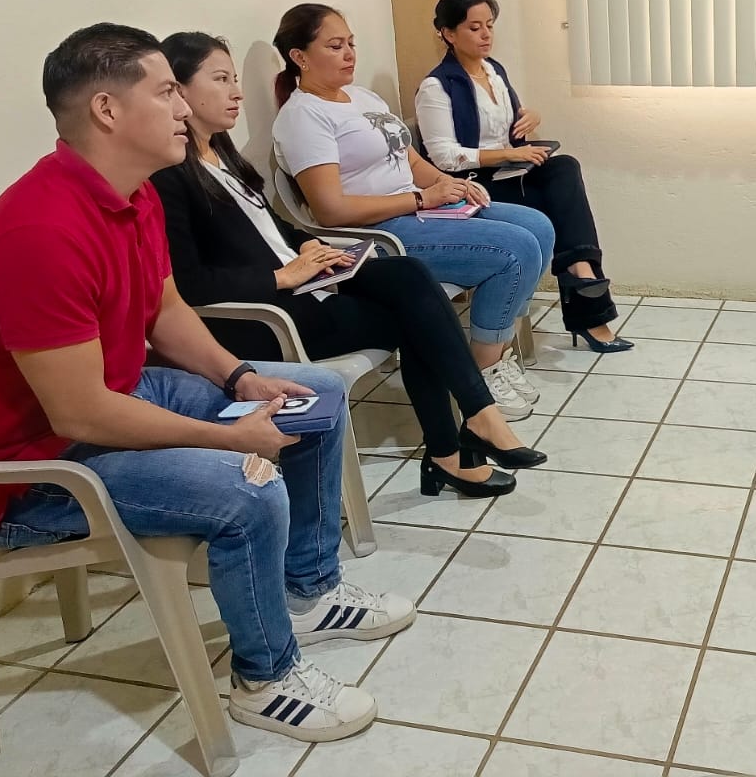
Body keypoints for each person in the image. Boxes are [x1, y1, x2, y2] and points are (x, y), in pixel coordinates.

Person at [0, 23, 411, 743]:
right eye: (166, 92)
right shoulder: (39, 231)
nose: (184, 109)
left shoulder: (135, 196)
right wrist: (227, 438)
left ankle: (310, 591)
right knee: (248, 485)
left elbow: (164, 314)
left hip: (117, 399)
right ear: (107, 110)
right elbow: (79, 414)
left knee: (312, 397)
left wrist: (241, 377)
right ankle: (265, 678)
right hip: (37, 471)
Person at [151, 31, 546, 497]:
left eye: (236, 79)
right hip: (269, 314)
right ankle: (460, 441)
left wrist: (311, 247)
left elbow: (275, 227)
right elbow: (189, 285)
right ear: (178, 90)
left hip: (303, 282)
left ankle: (471, 426)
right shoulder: (169, 175)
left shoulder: (221, 154)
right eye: (221, 80)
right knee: (417, 318)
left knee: (408, 274)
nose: (237, 92)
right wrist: (281, 276)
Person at [269, 4, 554, 417]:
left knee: (538, 227)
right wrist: (422, 199)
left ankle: (498, 347)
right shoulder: (303, 117)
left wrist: (445, 183)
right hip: (380, 231)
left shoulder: (361, 97)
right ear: (300, 57)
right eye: (335, 46)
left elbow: (407, 157)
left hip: (419, 210)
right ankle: (482, 373)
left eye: (351, 43)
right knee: (514, 249)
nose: (349, 54)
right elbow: (331, 212)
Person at [415, 0, 633, 353]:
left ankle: (581, 269)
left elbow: (506, 127)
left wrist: (531, 116)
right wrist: (507, 153)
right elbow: (444, 157)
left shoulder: (494, 71)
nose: (485, 35)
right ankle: (586, 289)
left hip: (508, 174)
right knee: (559, 204)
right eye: (474, 28)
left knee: (563, 167)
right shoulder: (436, 87)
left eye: (489, 25)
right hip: (473, 186)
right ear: (448, 33)